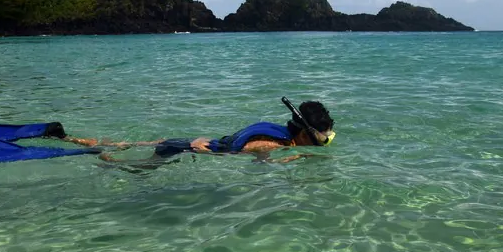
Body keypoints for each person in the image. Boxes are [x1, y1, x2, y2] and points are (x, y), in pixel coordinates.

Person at [60, 97, 335, 167]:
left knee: (127, 143)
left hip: (192, 141)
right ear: (306, 133)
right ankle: (99, 156)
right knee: (136, 167)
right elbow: (253, 158)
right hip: (187, 147)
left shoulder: (279, 132)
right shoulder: (277, 143)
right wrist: (289, 160)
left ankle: (72, 138)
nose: (326, 141)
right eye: (324, 138)